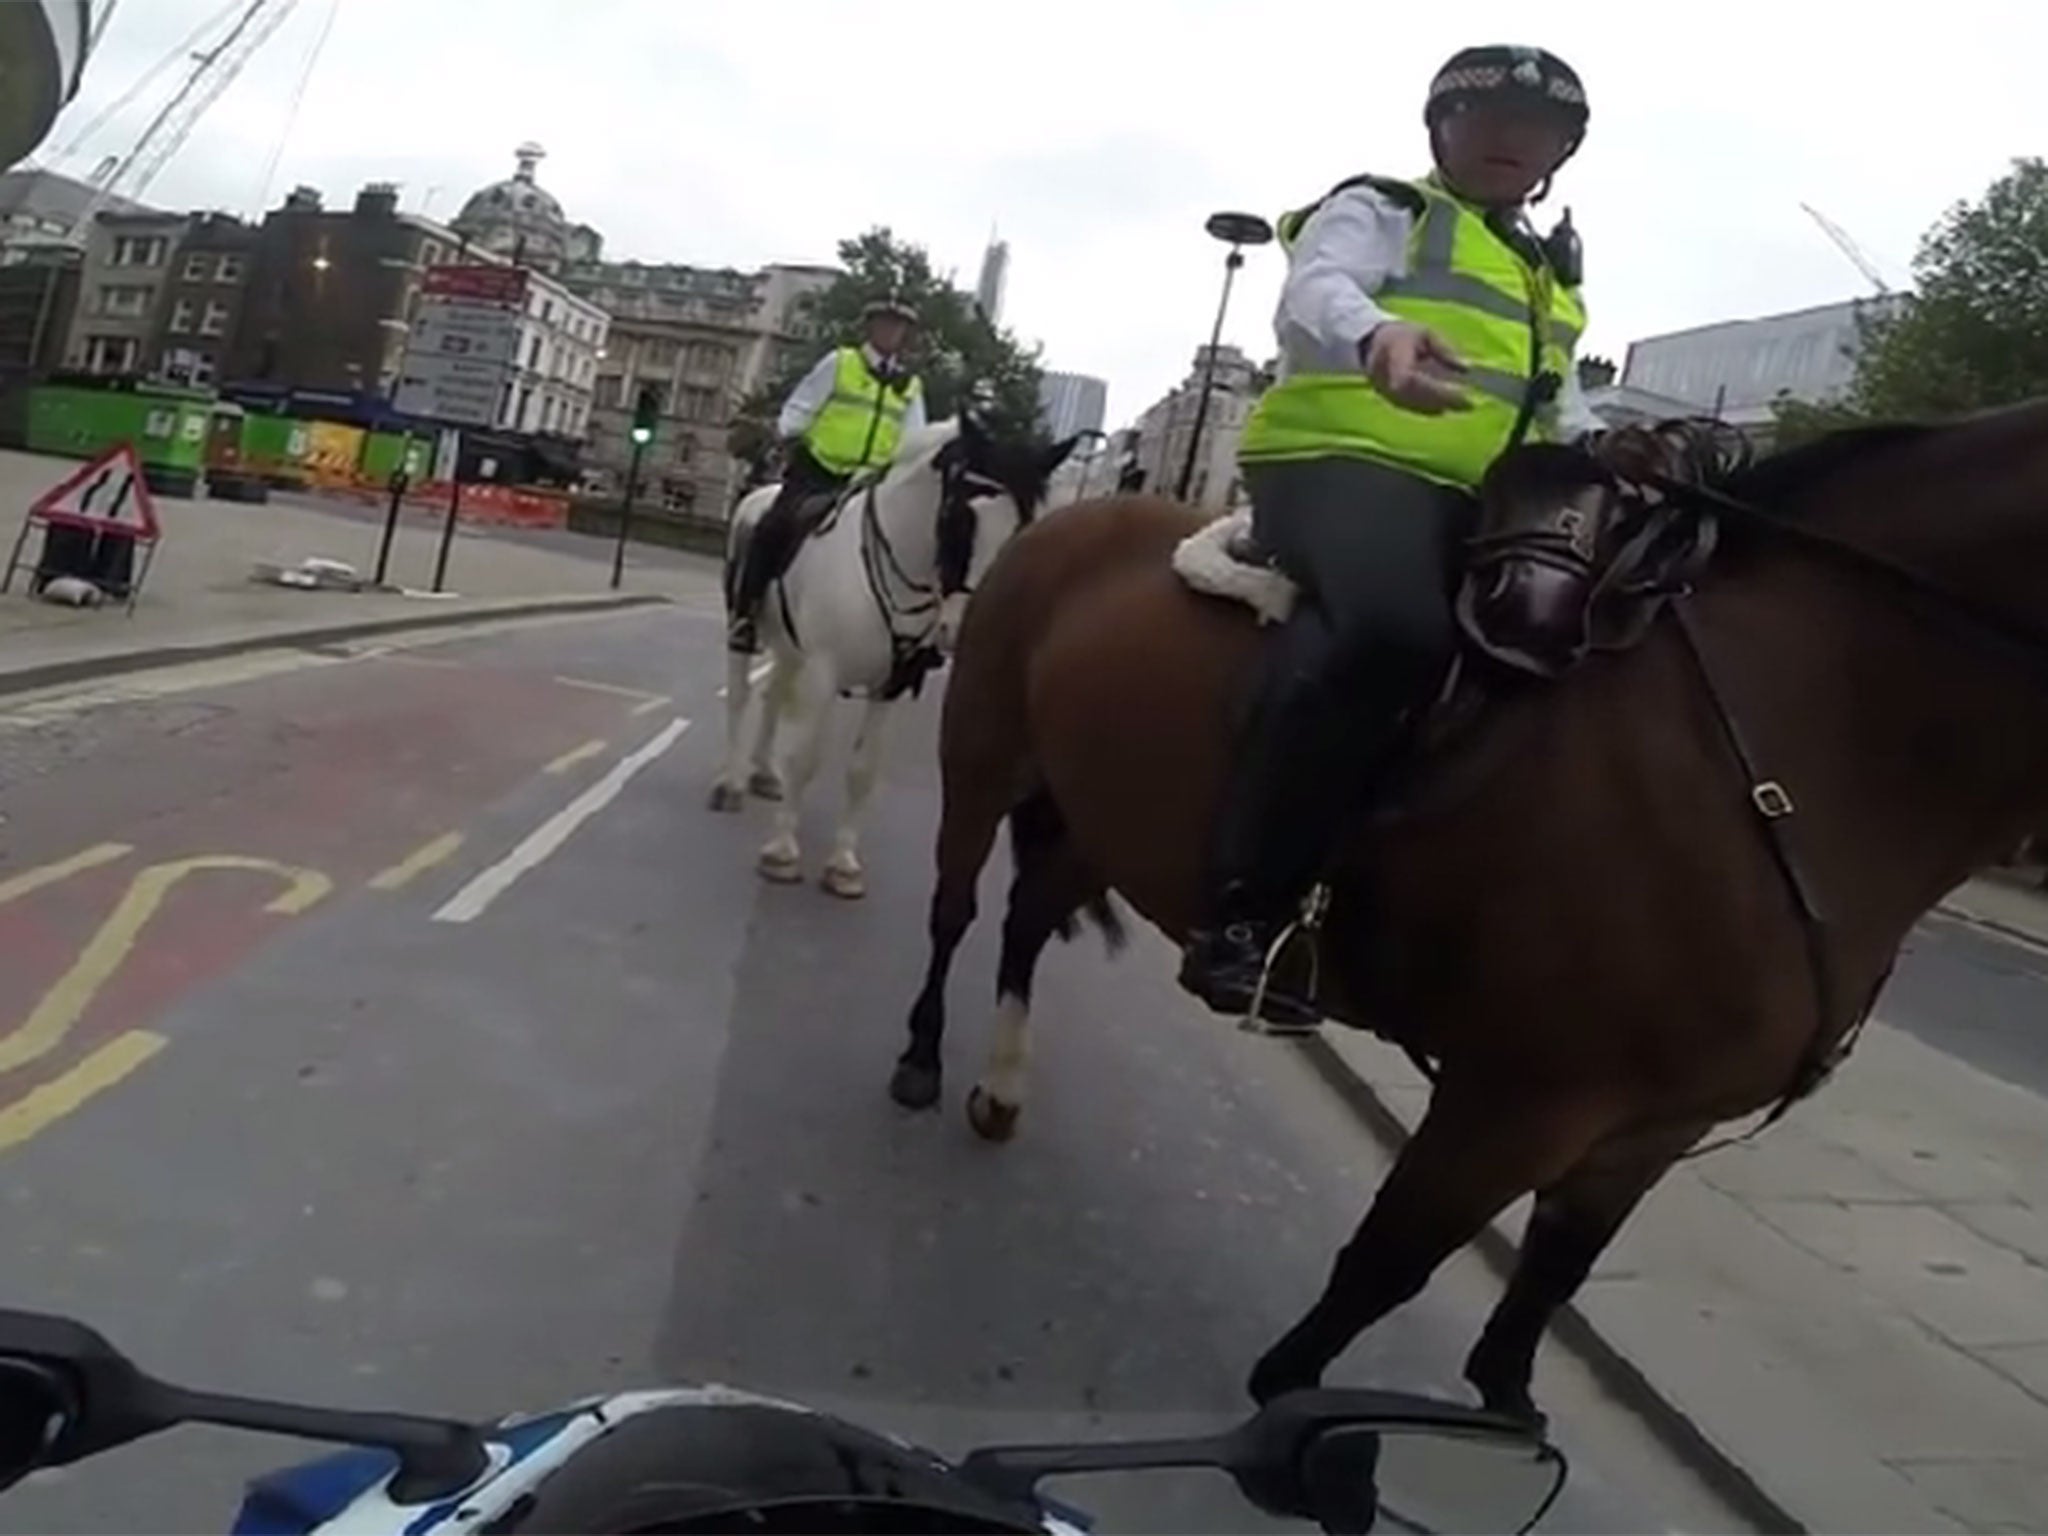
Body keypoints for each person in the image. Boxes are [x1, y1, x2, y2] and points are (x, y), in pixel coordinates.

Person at [1178, 44, 1604, 1026]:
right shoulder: (1383, 209)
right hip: (1339, 463)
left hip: (1488, 496)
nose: (1508, 140)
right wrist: (1376, 336)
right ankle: (1242, 915)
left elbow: (1559, 402)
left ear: (1557, 155)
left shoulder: (1546, 274)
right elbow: (1313, 287)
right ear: (1438, 133)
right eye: (1484, 119)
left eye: (1533, 130)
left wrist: (1617, 449)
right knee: (1394, 631)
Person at [727, 297, 927, 653]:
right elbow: (803, 404)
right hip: (820, 471)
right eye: (884, 323)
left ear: (904, 335)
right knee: (774, 525)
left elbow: (914, 437)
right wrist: (785, 432)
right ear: (870, 327)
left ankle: (907, 638)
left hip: (871, 482)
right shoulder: (840, 363)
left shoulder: (909, 385)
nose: (890, 332)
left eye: (898, 327)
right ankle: (747, 613)